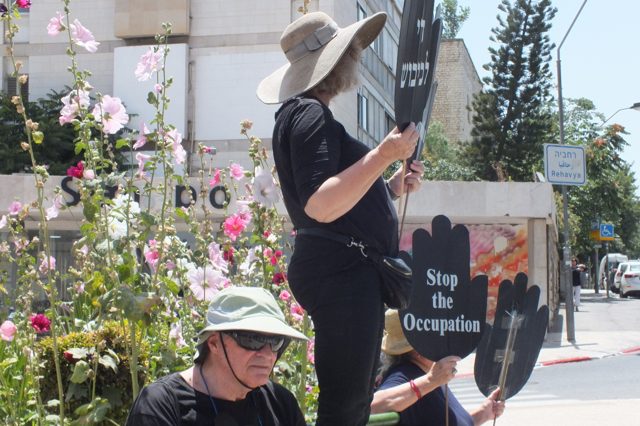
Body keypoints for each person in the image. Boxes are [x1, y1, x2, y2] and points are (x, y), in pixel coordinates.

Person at [256, 11, 424, 425]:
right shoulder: (309, 114)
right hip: (341, 272)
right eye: (352, 50)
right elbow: (320, 203)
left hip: (342, 269)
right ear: (334, 60)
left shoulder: (305, 115)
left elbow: (338, 204)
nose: (358, 56)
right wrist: (383, 155)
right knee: (346, 403)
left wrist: (392, 186)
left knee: (353, 399)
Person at [125, 286, 308, 426]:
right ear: (214, 343)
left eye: (276, 341)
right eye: (253, 340)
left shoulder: (280, 403)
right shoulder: (160, 405)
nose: (268, 354)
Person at [372, 310, 505, 426]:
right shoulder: (404, 375)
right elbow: (372, 407)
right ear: (418, 348)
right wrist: (429, 381)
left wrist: (483, 413)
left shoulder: (427, 373)